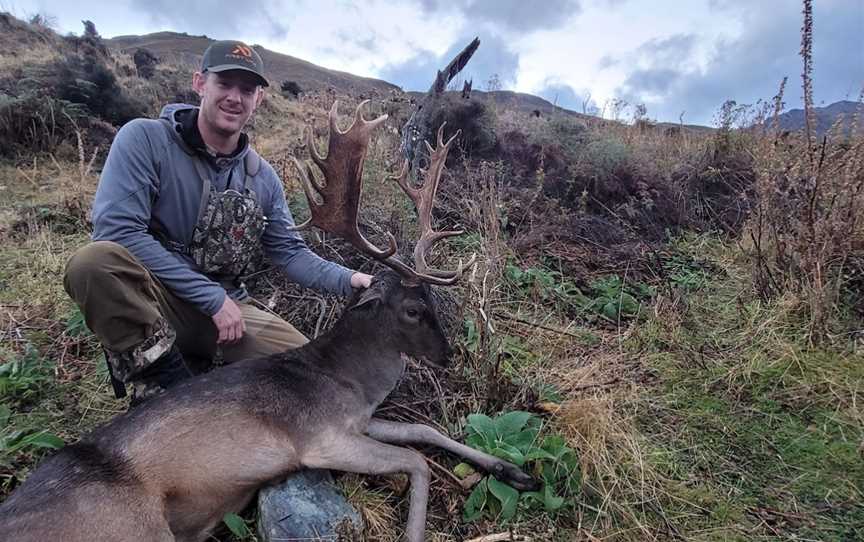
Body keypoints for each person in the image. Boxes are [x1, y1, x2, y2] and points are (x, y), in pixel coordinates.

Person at [64, 40, 373, 405]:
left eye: (246, 89)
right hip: (156, 301)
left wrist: (351, 280)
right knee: (92, 264)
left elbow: (290, 253)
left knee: (313, 376)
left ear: (258, 99)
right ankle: (166, 385)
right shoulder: (144, 140)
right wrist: (210, 297)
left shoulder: (263, 179)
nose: (234, 98)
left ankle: (203, 372)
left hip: (230, 315)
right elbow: (118, 232)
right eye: (224, 83)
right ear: (200, 84)